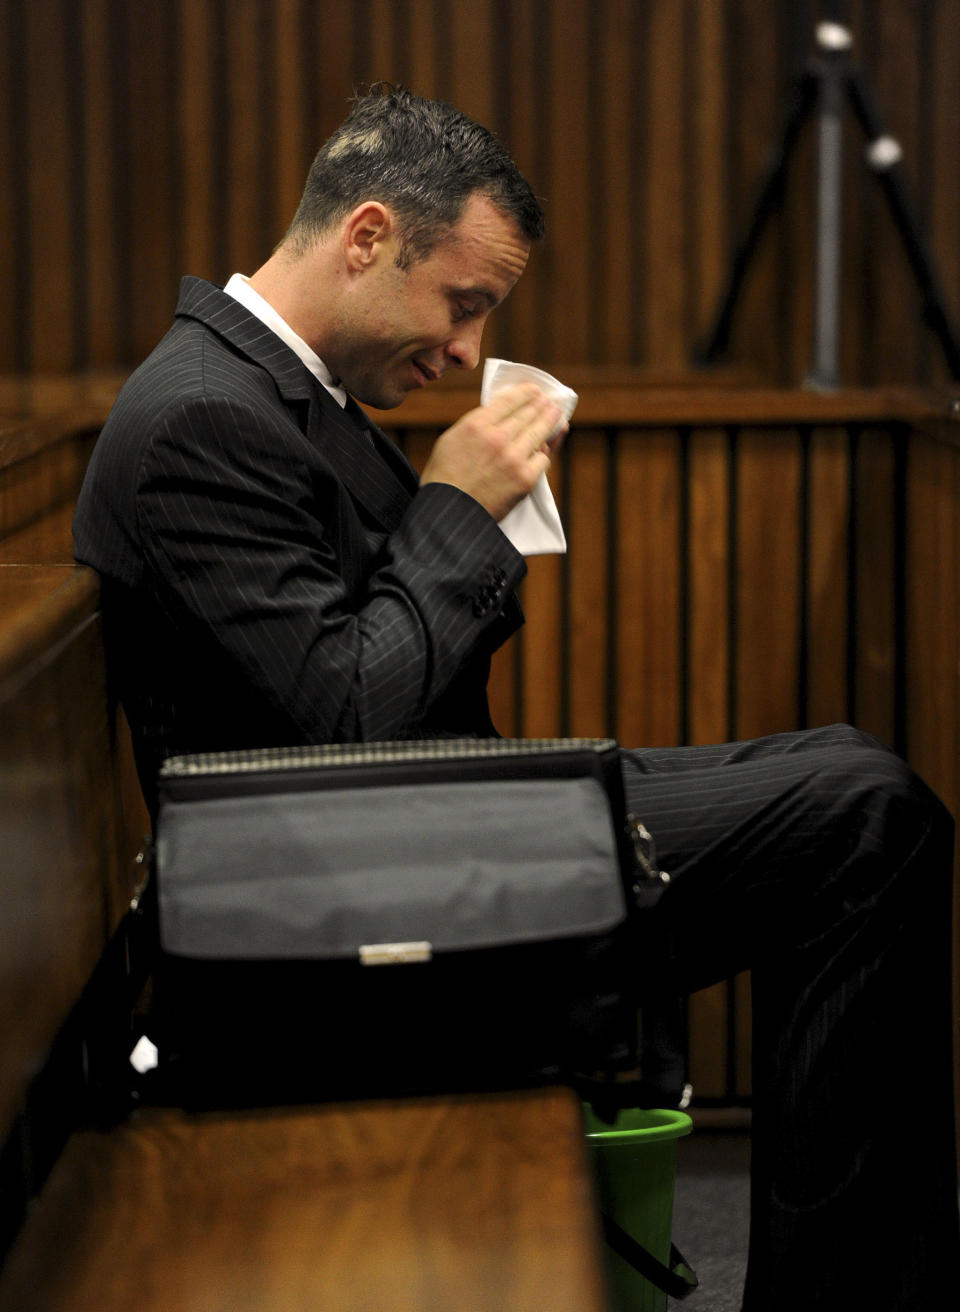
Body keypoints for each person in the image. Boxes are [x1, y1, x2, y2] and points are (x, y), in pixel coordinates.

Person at [74, 84, 958, 1309]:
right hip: (342, 920)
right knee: (867, 816)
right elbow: (344, 723)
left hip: (415, 843)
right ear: (369, 236)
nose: (467, 353)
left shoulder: (272, 395)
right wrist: (455, 506)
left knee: (852, 765)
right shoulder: (200, 419)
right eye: (466, 303)